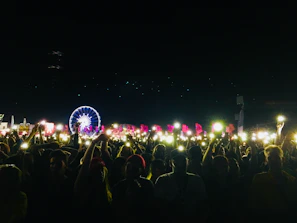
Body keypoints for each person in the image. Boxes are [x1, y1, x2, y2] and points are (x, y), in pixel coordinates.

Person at [154, 150, 208, 221]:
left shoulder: (196, 180)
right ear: (171, 163)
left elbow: (203, 203)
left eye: (182, 161)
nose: (180, 164)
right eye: (177, 161)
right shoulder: (163, 180)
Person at [249, 145, 297, 221]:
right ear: (266, 161)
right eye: (270, 158)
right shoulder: (259, 179)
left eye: (277, 158)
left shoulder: (291, 180)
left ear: (283, 160)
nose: (273, 160)